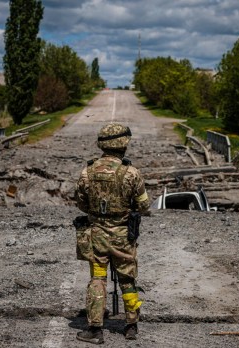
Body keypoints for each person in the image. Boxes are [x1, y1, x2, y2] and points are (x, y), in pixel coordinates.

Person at [74, 123, 150, 344]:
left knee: (97, 278)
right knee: (127, 279)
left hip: (96, 236)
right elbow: (144, 206)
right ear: (124, 144)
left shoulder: (87, 171)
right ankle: (131, 326)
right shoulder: (131, 173)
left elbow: (81, 203)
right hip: (124, 237)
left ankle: (95, 330)